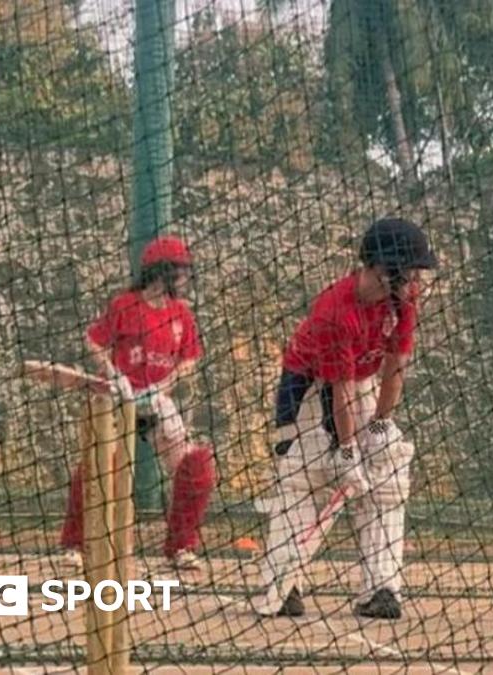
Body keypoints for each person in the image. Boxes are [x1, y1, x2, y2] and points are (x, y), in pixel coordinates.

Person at [250, 217, 437, 620]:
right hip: (308, 387)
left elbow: (396, 366)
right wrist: (348, 450)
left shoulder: (403, 301)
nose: (415, 281)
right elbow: (340, 390)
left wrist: (381, 425)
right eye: (409, 271)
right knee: (308, 474)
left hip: (360, 382)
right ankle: (281, 585)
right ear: (383, 268)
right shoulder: (335, 311)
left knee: (388, 469)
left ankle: (382, 588)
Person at [60, 235, 215, 573]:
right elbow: (94, 341)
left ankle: (181, 547)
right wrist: (114, 375)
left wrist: (164, 385)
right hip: (119, 398)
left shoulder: (180, 314)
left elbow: (190, 358)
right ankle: (75, 545)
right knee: (98, 466)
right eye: (179, 270)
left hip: (156, 401)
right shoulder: (125, 305)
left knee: (195, 466)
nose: (184, 278)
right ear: (161, 272)